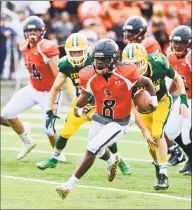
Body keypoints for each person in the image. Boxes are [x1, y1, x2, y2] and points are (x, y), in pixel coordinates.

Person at [55, 38, 158, 199]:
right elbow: (79, 104)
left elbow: (147, 82)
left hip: (119, 122)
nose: (99, 63)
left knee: (92, 148)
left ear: (114, 59)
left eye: (104, 59)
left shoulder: (126, 73)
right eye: (97, 59)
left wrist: (154, 101)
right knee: (98, 149)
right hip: (99, 118)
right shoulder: (88, 74)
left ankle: (68, 185)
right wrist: (80, 111)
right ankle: (111, 161)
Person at [36, 33, 131, 175]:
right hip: (81, 102)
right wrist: (49, 110)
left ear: (86, 50)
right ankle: (54, 158)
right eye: (73, 52)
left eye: (79, 51)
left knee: (105, 135)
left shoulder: (96, 61)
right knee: (66, 131)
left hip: (100, 103)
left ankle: (119, 160)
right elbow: (55, 88)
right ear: (67, 52)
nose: (76, 55)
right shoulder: (65, 64)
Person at [122, 43, 188, 190]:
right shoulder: (123, 77)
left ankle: (164, 174)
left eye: (137, 63)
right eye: (130, 65)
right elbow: (132, 107)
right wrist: (144, 130)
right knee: (151, 142)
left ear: (145, 60)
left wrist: (183, 100)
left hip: (162, 101)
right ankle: (158, 165)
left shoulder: (158, 62)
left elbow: (176, 78)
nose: (134, 68)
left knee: (158, 133)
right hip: (142, 107)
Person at [2, 16, 65, 161]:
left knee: (48, 129)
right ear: (25, 32)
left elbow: (58, 75)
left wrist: (55, 98)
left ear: (41, 32)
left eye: (35, 31)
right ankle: (27, 141)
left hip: (50, 92)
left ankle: (58, 154)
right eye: (29, 30)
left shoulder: (47, 47)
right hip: (33, 88)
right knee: (8, 112)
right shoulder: (23, 46)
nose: (32, 34)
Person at [165, 25, 192, 175]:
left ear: (188, 43)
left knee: (186, 132)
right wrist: (167, 94)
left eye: (180, 43)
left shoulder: (190, 58)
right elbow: (176, 79)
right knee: (171, 130)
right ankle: (191, 158)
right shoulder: (170, 56)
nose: (177, 45)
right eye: (175, 42)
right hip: (183, 98)